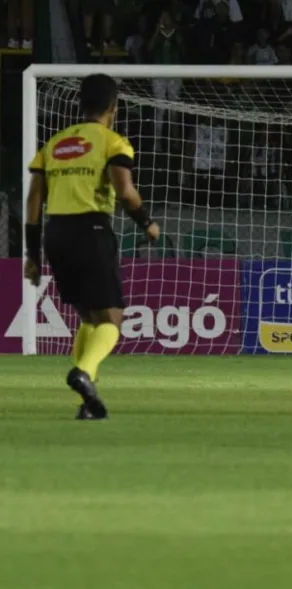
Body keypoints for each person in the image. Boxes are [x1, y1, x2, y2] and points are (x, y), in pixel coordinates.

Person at [23, 74, 161, 420]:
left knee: (88, 316)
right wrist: (147, 223)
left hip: (56, 233)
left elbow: (33, 202)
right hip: (92, 229)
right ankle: (82, 374)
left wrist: (32, 255)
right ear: (113, 107)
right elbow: (125, 191)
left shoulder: (53, 145)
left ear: (80, 104)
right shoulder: (113, 143)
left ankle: (88, 401)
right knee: (112, 317)